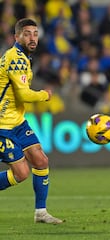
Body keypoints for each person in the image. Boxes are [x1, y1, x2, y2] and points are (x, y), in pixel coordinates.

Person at [0, 18, 63, 224]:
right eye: (27, 34)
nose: (32, 38)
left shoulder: (23, 57)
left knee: (41, 160)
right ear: (16, 37)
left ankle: (41, 213)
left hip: (17, 122)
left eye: (35, 33)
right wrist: (44, 95)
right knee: (21, 174)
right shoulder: (15, 58)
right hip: (2, 126)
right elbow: (24, 95)